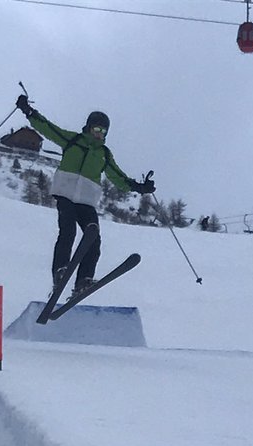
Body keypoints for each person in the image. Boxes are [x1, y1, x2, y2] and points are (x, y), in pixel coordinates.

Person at [16, 93, 155, 297]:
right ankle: (61, 272)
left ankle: (83, 280)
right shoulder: (73, 140)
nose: (99, 133)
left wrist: (139, 187)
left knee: (93, 239)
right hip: (65, 194)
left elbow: (118, 177)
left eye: (103, 131)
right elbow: (48, 128)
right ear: (89, 127)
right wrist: (29, 112)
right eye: (96, 129)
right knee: (68, 231)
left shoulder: (104, 154)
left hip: (86, 201)